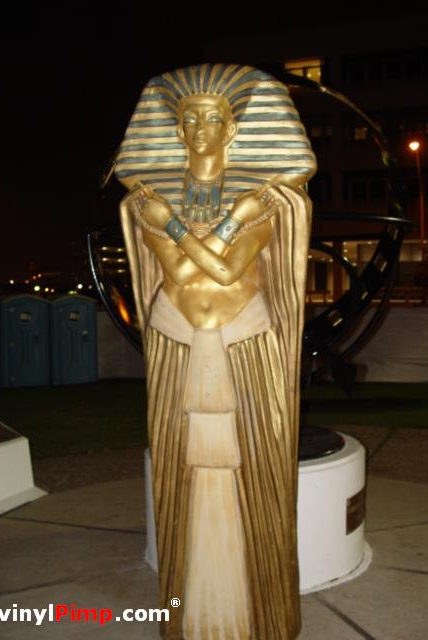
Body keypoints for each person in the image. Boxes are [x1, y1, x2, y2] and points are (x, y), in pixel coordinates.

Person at [116, 63, 316, 640]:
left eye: (211, 118)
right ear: (175, 131)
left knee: (254, 462)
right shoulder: (152, 201)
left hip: (243, 337)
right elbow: (180, 272)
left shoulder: (263, 200)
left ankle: (262, 616)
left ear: (233, 130)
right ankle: (190, 613)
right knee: (182, 465)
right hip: (176, 336)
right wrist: (218, 222)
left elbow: (228, 272)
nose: (199, 129)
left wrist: (191, 224)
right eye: (188, 119)